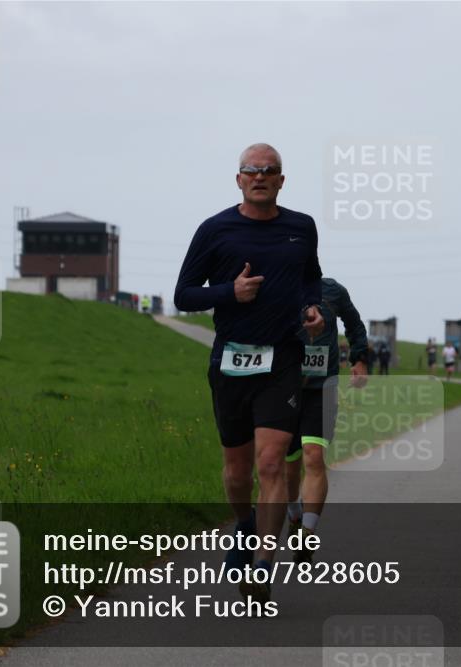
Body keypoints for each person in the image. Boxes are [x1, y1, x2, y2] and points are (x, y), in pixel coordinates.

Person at [174, 143, 324, 603]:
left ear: (282, 180)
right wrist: (229, 292)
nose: (260, 176)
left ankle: (263, 563)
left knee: (271, 462)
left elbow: (311, 278)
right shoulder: (215, 230)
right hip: (230, 360)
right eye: (251, 170)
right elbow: (183, 295)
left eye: (269, 170)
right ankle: (244, 523)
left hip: (282, 358)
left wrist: (312, 308)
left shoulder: (302, 228)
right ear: (238, 179)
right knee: (238, 472)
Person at [285, 277, 368, 562]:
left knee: (314, 456)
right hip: (283, 389)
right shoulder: (279, 283)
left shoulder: (333, 290)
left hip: (322, 389)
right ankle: (294, 516)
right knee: (287, 465)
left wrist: (358, 360)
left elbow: (355, 325)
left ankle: (307, 534)